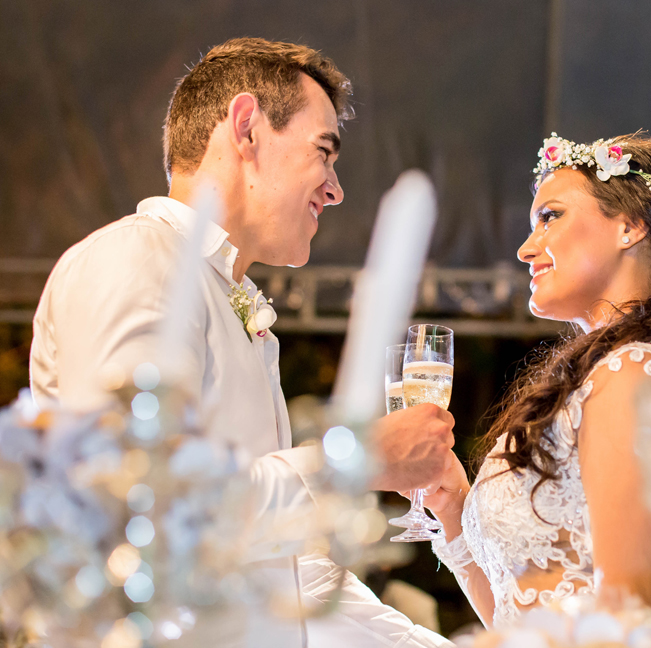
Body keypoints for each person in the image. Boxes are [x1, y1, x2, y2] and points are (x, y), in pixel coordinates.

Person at [29, 38, 455, 648]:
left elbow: (295, 576)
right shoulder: (137, 260)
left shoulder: (231, 301)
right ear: (247, 127)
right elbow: (139, 509)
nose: (335, 190)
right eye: (323, 153)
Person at [423, 133, 651, 632]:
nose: (527, 250)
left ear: (630, 227)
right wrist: (453, 503)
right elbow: (512, 613)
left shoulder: (636, 373)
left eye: (550, 217)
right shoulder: (601, 376)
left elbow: (634, 616)